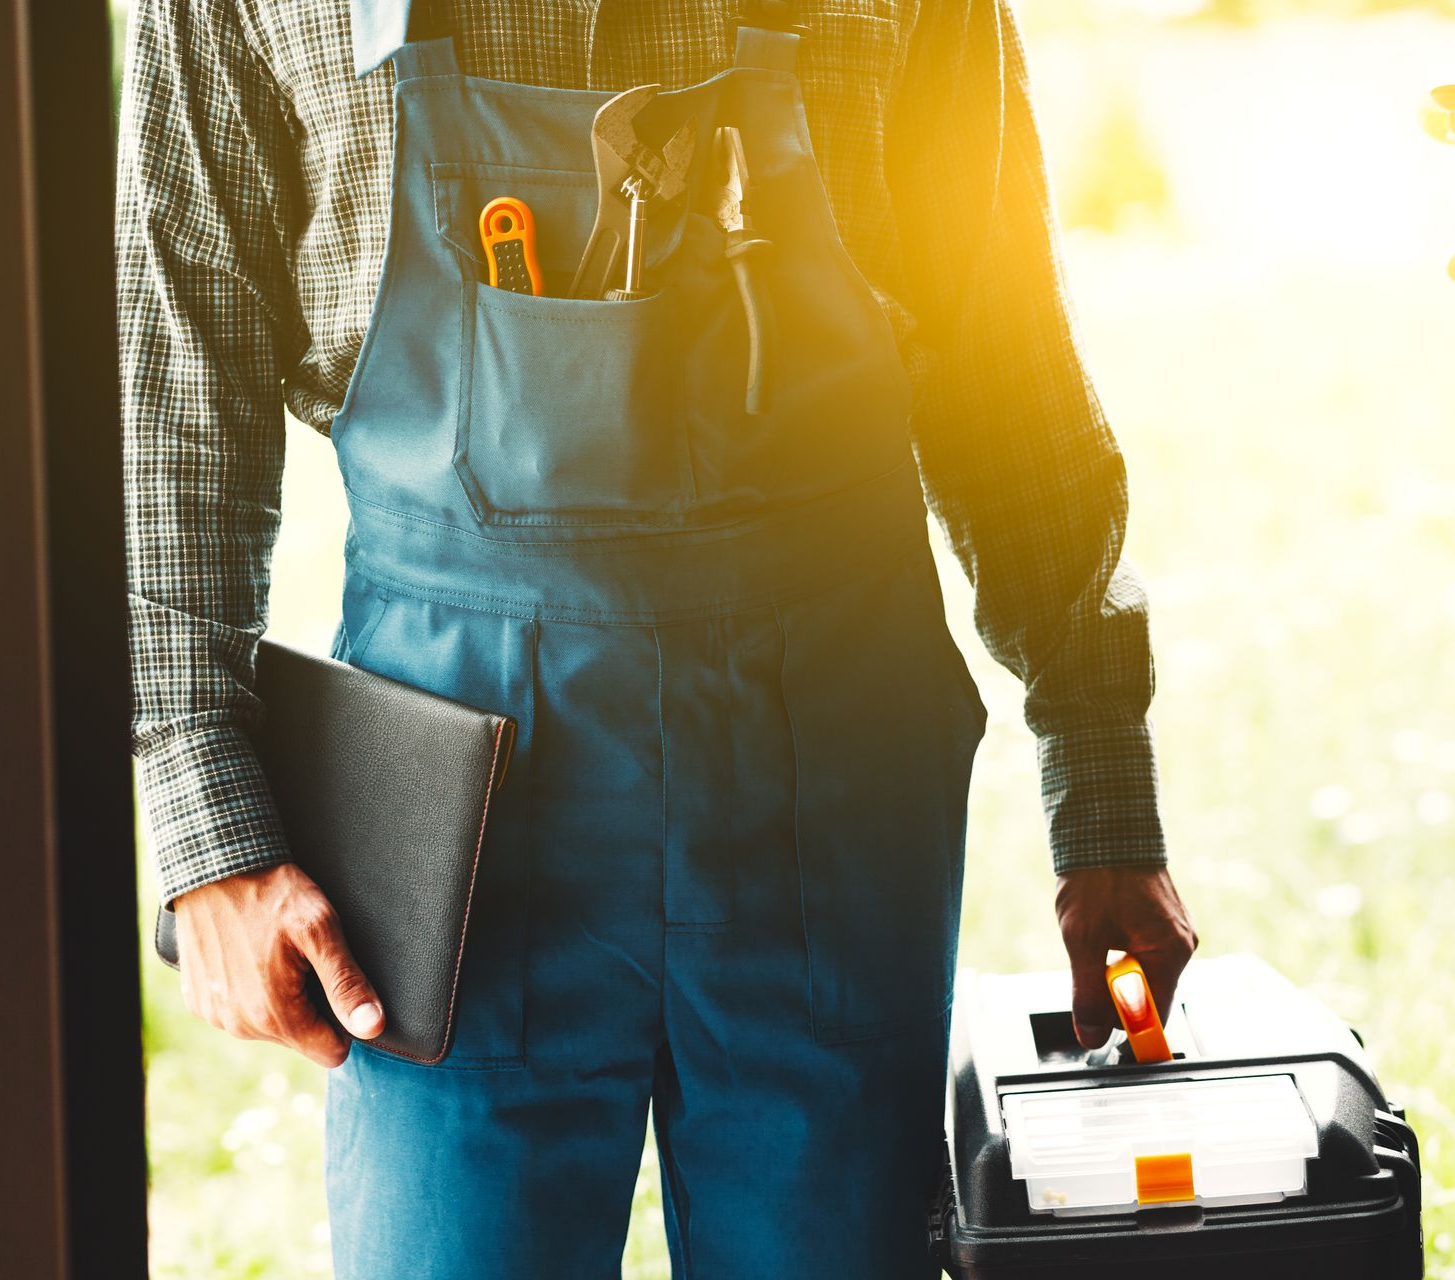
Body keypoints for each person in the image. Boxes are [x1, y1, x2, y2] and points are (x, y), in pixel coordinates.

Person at [118, 1, 1198, 1276]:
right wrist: (209, 826)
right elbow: (178, 395)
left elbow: (1005, 377)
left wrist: (1105, 791)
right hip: (449, 827)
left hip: (828, 796)